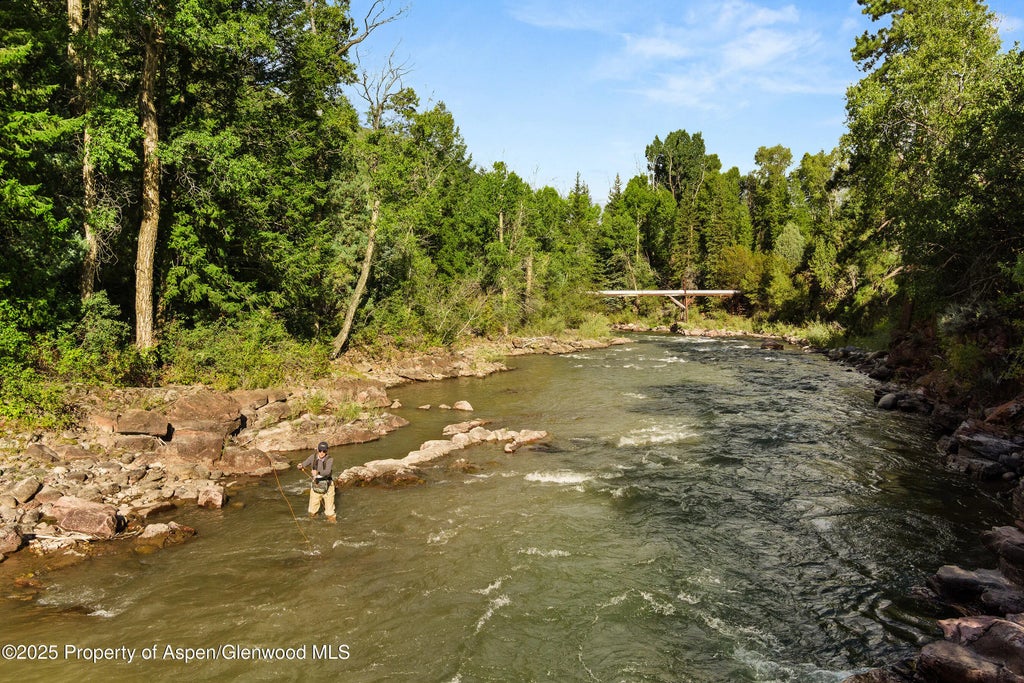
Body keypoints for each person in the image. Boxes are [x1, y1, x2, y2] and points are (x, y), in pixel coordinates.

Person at [299, 441, 336, 523]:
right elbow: (305, 463)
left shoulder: (330, 459)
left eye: (324, 451)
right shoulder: (313, 457)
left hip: (328, 486)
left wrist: (318, 472)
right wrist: (301, 465)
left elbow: (327, 472)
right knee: (312, 511)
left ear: (327, 451)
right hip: (316, 484)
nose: (322, 453)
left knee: (330, 512)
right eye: (320, 450)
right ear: (317, 449)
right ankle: (312, 524)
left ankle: (333, 527)